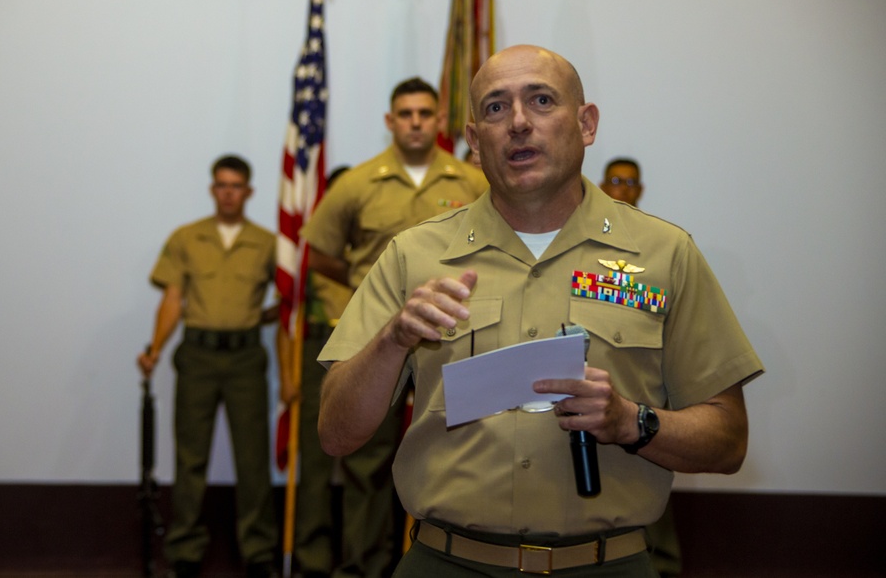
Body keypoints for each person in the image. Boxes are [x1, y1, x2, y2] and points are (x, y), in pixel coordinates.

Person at [317, 45, 764, 577]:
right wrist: (391, 340)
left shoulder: (664, 254)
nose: (519, 123)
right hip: (445, 561)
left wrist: (631, 422)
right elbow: (337, 434)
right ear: (474, 143)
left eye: (542, 100)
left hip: (606, 564)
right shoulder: (413, 256)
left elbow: (728, 441)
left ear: (587, 123)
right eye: (496, 108)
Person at [301, 78, 488, 578]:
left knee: (454, 447)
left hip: (455, 340)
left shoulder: (472, 182)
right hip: (381, 342)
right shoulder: (357, 183)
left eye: (425, 113)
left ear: (438, 120)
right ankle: (363, 566)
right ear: (390, 120)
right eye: (404, 113)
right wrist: (367, 295)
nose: (415, 122)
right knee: (366, 464)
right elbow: (319, 254)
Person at [138, 155, 281, 578]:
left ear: (249, 191)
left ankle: (258, 552)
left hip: (245, 358)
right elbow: (171, 299)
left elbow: (287, 299)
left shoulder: (267, 243)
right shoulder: (187, 238)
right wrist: (155, 349)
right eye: (221, 185)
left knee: (252, 459)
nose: (228, 192)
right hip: (198, 356)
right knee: (190, 457)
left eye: (236, 185)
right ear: (212, 189)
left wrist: (261, 318)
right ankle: (185, 550)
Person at [599, 157, 681, 577]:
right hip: (594, 407)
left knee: (650, 505)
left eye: (630, 183)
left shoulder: (658, 250)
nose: (623, 189)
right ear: (601, 184)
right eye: (615, 180)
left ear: (641, 190)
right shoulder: (588, 247)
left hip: (644, 405)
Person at [277, 166, 353, 578]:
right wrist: (289, 376)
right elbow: (289, 315)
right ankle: (311, 558)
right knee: (316, 461)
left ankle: (362, 560)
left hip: (365, 350)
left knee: (366, 467)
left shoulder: (373, 245)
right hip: (319, 349)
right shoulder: (309, 254)